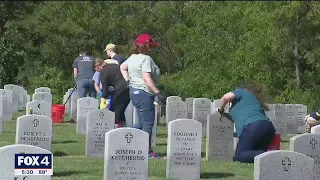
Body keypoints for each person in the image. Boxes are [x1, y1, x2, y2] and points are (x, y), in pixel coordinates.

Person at [120, 33, 165, 158]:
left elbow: (122, 67)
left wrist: (128, 80)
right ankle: (147, 152)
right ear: (145, 46)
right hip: (145, 93)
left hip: (134, 92)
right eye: (150, 46)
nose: (151, 48)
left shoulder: (132, 57)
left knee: (140, 123)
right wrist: (157, 92)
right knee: (148, 123)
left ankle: (129, 143)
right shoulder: (146, 59)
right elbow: (146, 78)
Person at [217, 83, 275, 163]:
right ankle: (274, 156)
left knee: (239, 155)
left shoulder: (241, 92)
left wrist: (220, 110)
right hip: (268, 127)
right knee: (259, 158)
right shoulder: (253, 100)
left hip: (253, 127)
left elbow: (225, 98)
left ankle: (273, 156)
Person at [95, 58, 130, 128]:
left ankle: (116, 127)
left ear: (97, 66)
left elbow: (104, 88)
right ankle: (123, 125)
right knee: (121, 109)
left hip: (121, 89)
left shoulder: (103, 71)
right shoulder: (115, 66)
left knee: (115, 109)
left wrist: (103, 101)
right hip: (129, 87)